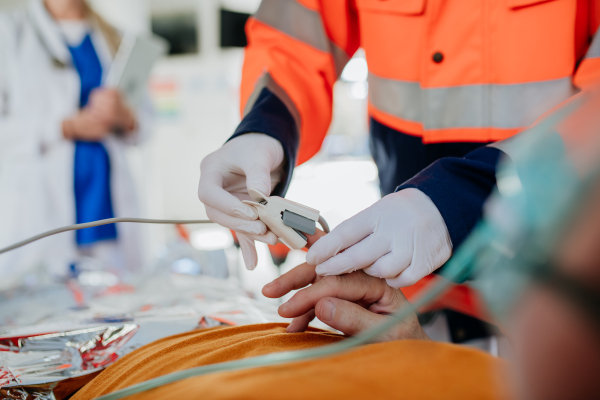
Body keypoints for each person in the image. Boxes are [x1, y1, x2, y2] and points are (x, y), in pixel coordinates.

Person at [198, 0, 600, 282]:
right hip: (406, 285)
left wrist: (463, 197)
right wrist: (265, 127)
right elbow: (294, 41)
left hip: (560, 281)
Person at [0, 0, 151, 285]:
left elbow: (145, 125)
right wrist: (64, 127)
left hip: (104, 201)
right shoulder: (8, 32)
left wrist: (123, 116)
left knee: (116, 304)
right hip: (36, 208)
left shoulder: (117, 36)